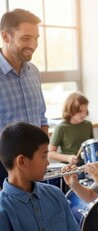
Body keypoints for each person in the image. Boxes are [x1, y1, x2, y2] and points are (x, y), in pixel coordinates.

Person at [0, 122, 83, 231]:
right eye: (44, 156)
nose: (48, 163)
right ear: (22, 161)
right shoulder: (3, 210)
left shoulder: (56, 194)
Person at [0, 9, 48, 189]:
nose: (34, 44)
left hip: (34, 167)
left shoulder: (33, 72)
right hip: (4, 170)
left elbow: (42, 117)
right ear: (6, 36)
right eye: (26, 38)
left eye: (36, 38)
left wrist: (42, 157)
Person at [49, 91, 94, 165]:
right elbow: (50, 153)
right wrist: (68, 158)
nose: (84, 114)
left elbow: (91, 145)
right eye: (80, 111)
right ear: (70, 110)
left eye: (85, 110)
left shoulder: (88, 125)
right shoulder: (61, 128)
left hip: (86, 164)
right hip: (69, 167)